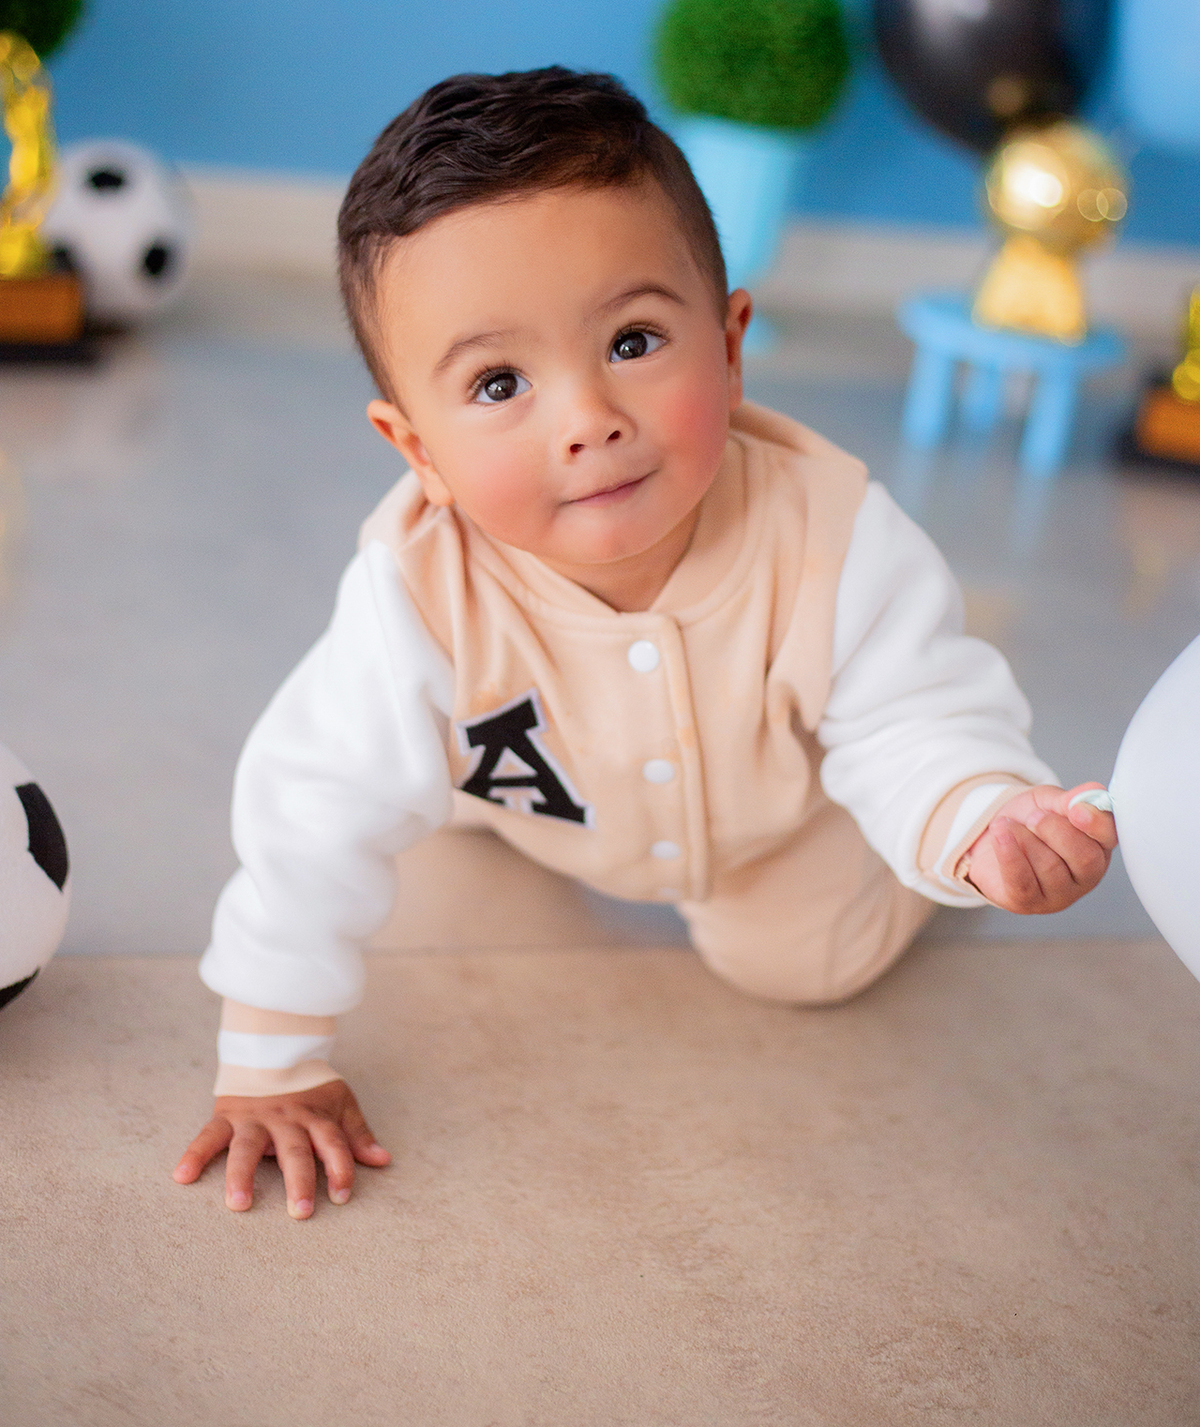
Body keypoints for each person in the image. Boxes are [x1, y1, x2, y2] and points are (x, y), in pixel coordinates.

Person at [174, 68, 1116, 1220]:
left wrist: (976, 817)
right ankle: (479, 789)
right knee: (409, 799)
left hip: (779, 818)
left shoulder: (835, 537)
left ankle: (915, 857)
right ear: (414, 447)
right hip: (554, 797)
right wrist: (273, 1057)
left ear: (729, 344)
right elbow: (307, 809)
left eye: (632, 341)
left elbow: (913, 712)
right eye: (500, 382)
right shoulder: (415, 599)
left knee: (798, 966)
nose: (587, 420)